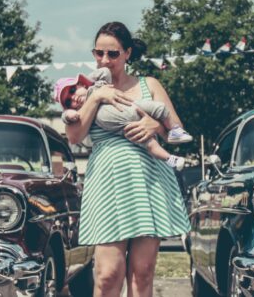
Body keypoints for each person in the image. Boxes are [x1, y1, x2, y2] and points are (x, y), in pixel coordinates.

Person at [64, 21, 190, 297]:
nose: (104, 60)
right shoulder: (85, 89)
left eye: (113, 54)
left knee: (142, 273)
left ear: (128, 53)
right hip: (107, 185)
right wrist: (96, 98)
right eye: (98, 53)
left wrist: (154, 126)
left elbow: (175, 130)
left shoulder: (149, 85)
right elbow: (74, 136)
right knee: (108, 275)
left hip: (149, 183)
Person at [55, 68, 192, 170]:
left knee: (160, 109)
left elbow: (104, 72)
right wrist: (92, 99)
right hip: (119, 144)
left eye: (112, 53)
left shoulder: (99, 85)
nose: (73, 98)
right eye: (68, 101)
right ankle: (170, 159)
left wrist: (158, 127)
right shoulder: (81, 111)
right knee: (150, 145)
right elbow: (71, 133)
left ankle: (175, 131)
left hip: (134, 108)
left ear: (127, 52)